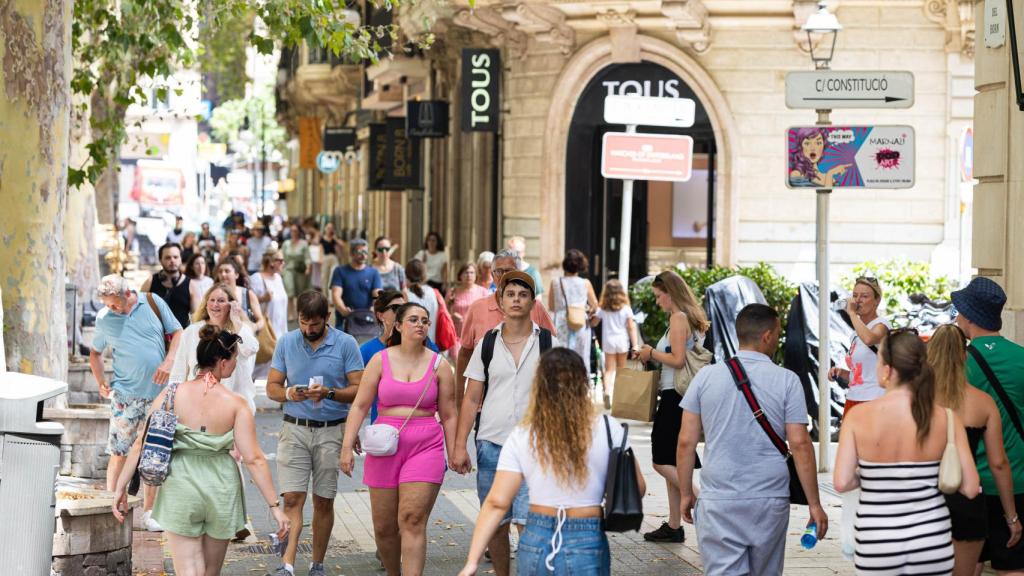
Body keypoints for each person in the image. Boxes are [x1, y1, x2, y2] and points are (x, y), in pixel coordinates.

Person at [111, 326, 290, 576]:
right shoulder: (236, 404)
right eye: (235, 359)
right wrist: (274, 507)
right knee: (210, 572)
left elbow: (141, 443)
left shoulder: (172, 394)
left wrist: (120, 488)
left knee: (188, 571)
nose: (236, 365)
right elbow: (254, 459)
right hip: (221, 488)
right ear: (223, 363)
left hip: (181, 486)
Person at [458, 348, 644, 576]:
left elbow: (497, 503)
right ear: (583, 383)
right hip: (588, 537)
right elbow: (639, 488)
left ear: (539, 385)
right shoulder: (608, 428)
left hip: (537, 534)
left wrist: (472, 561)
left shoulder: (524, 434)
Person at [677, 304, 826, 575]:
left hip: (718, 497)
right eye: (778, 334)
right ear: (767, 336)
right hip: (769, 497)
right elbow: (800, 444)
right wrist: (815, 504)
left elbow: (686, 441)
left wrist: (686, 492)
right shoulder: (787, 381)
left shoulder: (705, 377)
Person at [835, 328, 981, 575]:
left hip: (877, 540)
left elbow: (841, 482)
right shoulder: (946, 418)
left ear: (888, 370)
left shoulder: (858, 417)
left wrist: (874, 475)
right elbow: (969, 487)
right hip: (932, 540)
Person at [451, 271, 557, 576]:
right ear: (501, 300)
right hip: (491, 444)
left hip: (536, 446)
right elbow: (472, 398)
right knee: (496, 524)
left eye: (522, 295)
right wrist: (460, 446)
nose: (516, 300)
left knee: (528, 521)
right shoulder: (487, 343)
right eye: (510, 294)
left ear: (532, 302)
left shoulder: (548, 342)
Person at [341, 303, 458, 576]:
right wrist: (346, 447)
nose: (420, 324)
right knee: (384, 528)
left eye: (425, 321)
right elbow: (359, 405)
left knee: (412, 519)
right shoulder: (380, 360)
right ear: (398, 326)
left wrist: (455, 451)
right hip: (385, 445)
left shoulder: (440, 366)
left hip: (426, 443)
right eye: (414, 319)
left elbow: (450, 413)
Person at [265, 291, 364, 576]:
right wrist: (287, 393)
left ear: (327, 319)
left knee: (323, 500)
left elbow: (359, 388)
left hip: (331, 431)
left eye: (314, 324)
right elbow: (272, 386)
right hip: (294, 428)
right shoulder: (286, 342)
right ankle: (287, 565)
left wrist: (330, 393)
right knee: (293, 499)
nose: (308, 330)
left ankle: (317, 564)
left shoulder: (345, 343)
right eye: (303, 323)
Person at [89, 274, 183, 532]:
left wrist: (169, 361)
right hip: (124, 396)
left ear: (127, 293)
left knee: (154, 454)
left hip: (159, 395)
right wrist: (100, 381)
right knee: (119, 453)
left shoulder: (152, 302)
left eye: (114, 304)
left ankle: (150, 512)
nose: (112, 309)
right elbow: (95, 353)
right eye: (107, 305)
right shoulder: (104, 319)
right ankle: (112, 505)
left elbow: (177, 332)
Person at [928, 324, 1022, 575]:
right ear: (964, 355)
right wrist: (1011, 516)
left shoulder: (917, 401)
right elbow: (999, 463)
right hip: (967, 502)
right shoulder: (982, 402)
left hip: (924, 502)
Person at [952, 276, 1024, 574]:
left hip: (971, 485)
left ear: (969, 316)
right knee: (1014, 566)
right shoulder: (1021, 357)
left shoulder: (959, 365)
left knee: (969, 566)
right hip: (1019, 480)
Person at [635, 269, 709, 543]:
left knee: (659, 461)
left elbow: (678, 360)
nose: (657, 302)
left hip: (675, 396)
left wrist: (650, 353)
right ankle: (675, 523)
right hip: (682, 396)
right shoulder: (687, 318)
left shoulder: (679, 318)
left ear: (670, 292)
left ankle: (704, 501)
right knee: (672, 459)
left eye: (658, 296)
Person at [455, 249, 556, 408]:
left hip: (529, 403)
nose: (503, 276)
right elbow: (465, 354)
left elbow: (553, 351)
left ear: (519, 272)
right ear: (492, 275)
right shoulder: (477, 309)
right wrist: (459, 397)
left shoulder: (535, 308)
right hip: (487, 403)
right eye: (498, 271)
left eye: (508, 271)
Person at [170, 283, 259, 413]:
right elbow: (178, 372)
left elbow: (251, 349)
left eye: (221, 301)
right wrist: (173, 402)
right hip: (198, 406)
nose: (215, 304)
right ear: (206, 304)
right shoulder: (191, 332)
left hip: (235, 407)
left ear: (231, 305)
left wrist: (236, 321)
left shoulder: (241, 329)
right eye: (212, 300)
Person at [361, 290, 440, 423]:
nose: (402, 311)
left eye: (404, 307)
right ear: (381, 316)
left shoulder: (426, 344)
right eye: (396, 308)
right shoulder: (367, 351)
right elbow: (358, 399)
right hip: (383, 431)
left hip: (422, 428)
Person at [829, 276, 891, 416]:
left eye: (864, 296)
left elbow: (869, 339)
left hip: (874, 398)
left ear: (877, 301)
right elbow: (862, 374)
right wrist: (842, 373)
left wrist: (851, 314)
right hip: (853, 398)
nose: (857, 300)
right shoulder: (856, 334)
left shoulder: (882, 325)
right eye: (855, 295)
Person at [549, 249, 598, 373]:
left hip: (561, 323)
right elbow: (595, 306)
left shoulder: (555, 282)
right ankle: (579, 387)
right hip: (580, 323)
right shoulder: (585, 283)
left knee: (560, 358)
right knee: (580, 357)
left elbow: (551, 307)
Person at [592, 279, 639, 409]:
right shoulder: (626, 309)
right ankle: (620, 397)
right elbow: (631, 327)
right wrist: (635, 345)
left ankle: (607, 392)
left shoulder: (602, 309)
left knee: (609, 370)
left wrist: (590, 315)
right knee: (621, 369)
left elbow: (594, 323)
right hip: (622, 340)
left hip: (608, 341)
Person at [330, 238, 383, 341]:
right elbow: (336, 294)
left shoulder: (373, 273)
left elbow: (377, 293)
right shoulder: (340, 271)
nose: (363, 255)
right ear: (351, 253)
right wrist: (343, 309)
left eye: (365, 252)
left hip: (367, 321)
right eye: (360, 252)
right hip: (345, 321)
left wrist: (376, 305)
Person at [141, 243, 202, 329]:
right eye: (167, 257)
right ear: (160, 260)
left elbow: (197, 319)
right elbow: (140, 311)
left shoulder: (191, 285)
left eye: (175, 257)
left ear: (181, 259)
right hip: (155, 337)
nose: (172, 260)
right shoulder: (150, 282)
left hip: (181, 337)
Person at [447, 263, 490, 359]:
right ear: (460, 275)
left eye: (472, 272)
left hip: (477, 337)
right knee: (458, 364)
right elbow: (444, 313)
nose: (469, 275)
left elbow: (489, 314)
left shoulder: (483, 292)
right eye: (466, 272)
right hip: (457, 336)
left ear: (476, 275)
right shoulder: (452, 292)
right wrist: (451, 315)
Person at [214, 258, 265, 334]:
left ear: (236, 275)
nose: (223, 274)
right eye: (220, 272)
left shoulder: (247, 294)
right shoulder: (214, 294)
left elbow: (261, 320)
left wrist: (254, 327)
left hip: (245, 340)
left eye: (227, 271)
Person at [251, 250, 288, 342]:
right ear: (271, 261)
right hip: (267, 332)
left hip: (281, 331)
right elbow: (249, 302)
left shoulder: (278, 278)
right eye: (280, 260)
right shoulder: (257, 278)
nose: (283, 263)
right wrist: (263, 298)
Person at [404, 260, 440, 343]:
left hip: (412, 345)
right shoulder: (434, 292)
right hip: (431, 344)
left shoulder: (406, 295)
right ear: (424, 275)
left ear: (406, 276)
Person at [281, 223, 311, 322]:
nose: (293, 233)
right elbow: (282, 258)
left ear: (299, 232)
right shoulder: (286, 244)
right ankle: (290, 313)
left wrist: (308, 268)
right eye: (292, 231)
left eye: (295, 230)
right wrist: (280, 268)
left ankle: (300, 313)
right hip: (288, 270)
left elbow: (307, 257)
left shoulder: (303, 243)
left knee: (300, 294)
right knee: (290, 292)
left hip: (300, 270)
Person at [320, 223, 343, 296]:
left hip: (333, 258)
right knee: (324, 278)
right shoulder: (322, 239)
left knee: (333, 277)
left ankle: (332, 297)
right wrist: (320, 259)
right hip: (325, 258)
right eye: (328, 228)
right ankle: (325, 296)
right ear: (325, 229)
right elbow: (321, 250)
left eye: (331, 228)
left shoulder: (334, 238)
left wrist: (335, 238)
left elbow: (342, 245)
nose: (329, 230)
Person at [305, 220, 324, 290]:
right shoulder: (310, 235)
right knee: (313, 275)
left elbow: (320, 245)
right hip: (312, 255)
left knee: (318, 275)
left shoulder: (319, 235)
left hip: (317, 255)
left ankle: (319, 288)